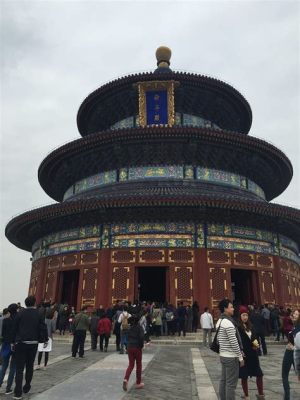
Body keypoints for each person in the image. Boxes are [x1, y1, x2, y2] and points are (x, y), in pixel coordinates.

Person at [12, 295, 48, 400]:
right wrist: (45, 339)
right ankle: (27, 385)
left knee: (19, 369)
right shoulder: (38, 314)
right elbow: (43, 327)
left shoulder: (20, 313)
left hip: (21, 343)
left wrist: (12, 342)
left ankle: (17, 393)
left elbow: (14, 328)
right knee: (29, 366)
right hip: (33, 343)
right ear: (34, 303)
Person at [216, 298, 244, 400]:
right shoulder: (228, 323)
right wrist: (240, 358)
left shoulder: (220, 321)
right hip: (231, 357)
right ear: (225, 309)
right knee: (231, 384)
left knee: (223, 380)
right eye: (231, 307)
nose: (233, 309)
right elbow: (234, 342)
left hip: (223, 355)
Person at [238, 306, 265, 400]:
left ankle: (261, 394)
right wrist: (240, 352)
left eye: (246, 315)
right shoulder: (238, 328)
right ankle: (246, 395)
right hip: (244, 355)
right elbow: (237, 341)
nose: (245, 317)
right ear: (240, 316)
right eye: (243, 315)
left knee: (259, 374)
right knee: (244, 376)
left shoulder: (251, 326)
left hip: (253, 354)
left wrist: (256, 346)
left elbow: (255, 339)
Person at [281, 309, 300, 400]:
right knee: (284, 374)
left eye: (297, 314)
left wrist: (293, 347)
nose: (294, 315)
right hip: (289, 353)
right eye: (294, 314)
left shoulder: (298, 328)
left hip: (295, 353)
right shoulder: (292, 326)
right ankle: (287, 396)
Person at [122, 315, 145, 391]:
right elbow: (141, 337)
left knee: (131, 365)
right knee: (139, 365)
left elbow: (127, 337)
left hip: (130, 347)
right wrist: (141, 346)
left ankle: (126, 379)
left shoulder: (130, 328)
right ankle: (138, 383)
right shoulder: (139, 328)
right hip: (137, 347)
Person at [0, 304, 18, 394]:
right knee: (13, 368)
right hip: (15, 345)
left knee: (3, 366)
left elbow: (2, 333)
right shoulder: (18, 320)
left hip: (6, 344)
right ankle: (8, 388)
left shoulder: (5, 320)